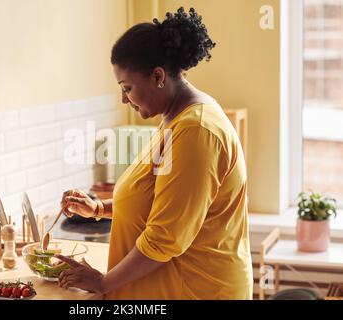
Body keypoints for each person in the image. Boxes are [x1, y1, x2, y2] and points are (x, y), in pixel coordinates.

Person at [56, 7, 253, 300]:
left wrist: (103, 283)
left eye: (128, 88)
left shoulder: (196, 131)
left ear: (158, 76)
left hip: (199, 291)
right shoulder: (174, 120)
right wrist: (99, 209)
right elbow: (158, 200)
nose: (124, 99)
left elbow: (165, 238)